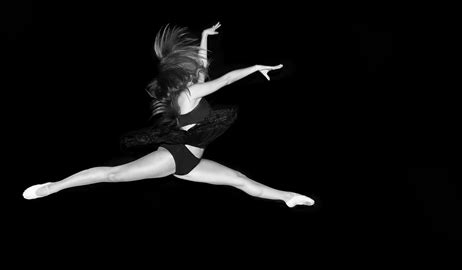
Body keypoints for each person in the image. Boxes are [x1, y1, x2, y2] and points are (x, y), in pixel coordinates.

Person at [23, 23, 315, 208]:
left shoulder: (192, 85)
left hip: (192, 161)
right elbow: (224, 80)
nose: (201, 70)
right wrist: (254, 68)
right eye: (194, 70)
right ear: (183, 73)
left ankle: (287, 197)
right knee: (114, 175)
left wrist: (204, 37)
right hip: (175, 156)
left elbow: (202, 66)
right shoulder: (189, 93)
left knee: (238, 179)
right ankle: (52, 187)